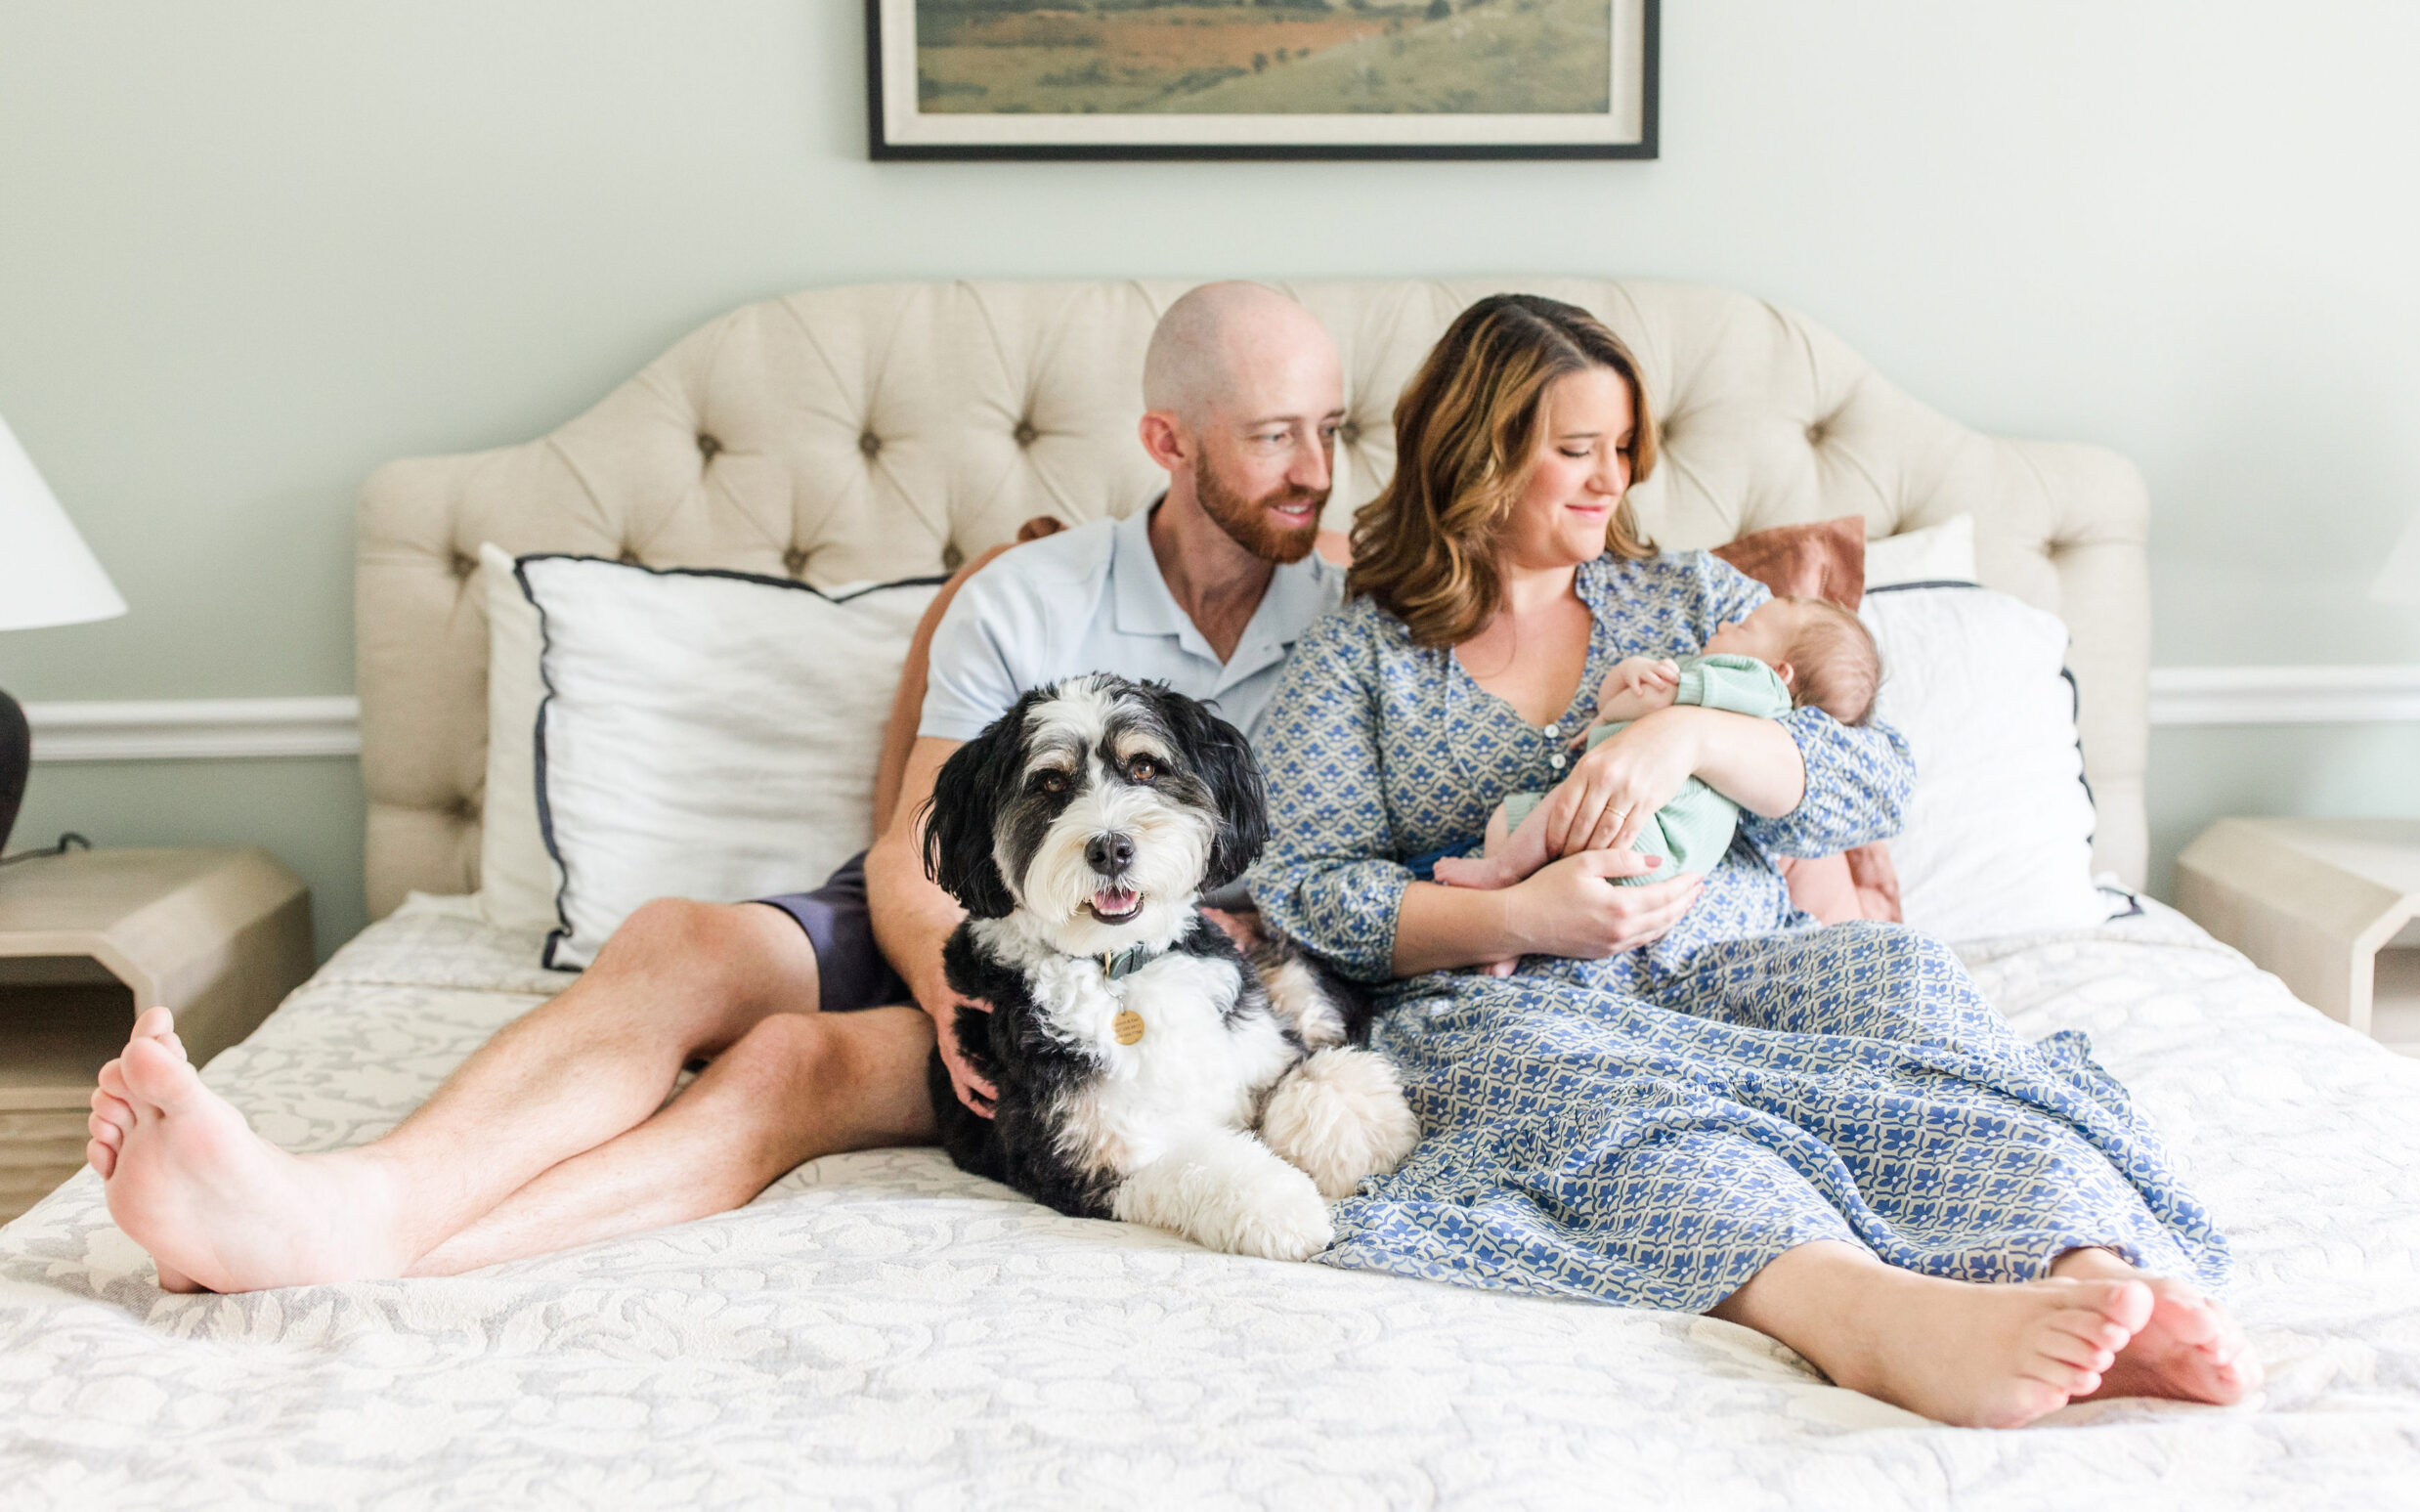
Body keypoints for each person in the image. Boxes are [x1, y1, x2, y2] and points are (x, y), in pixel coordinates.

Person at [80, 281, 1348, 1292]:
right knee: (678, 941)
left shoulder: (1362, 603)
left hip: (1148, 977)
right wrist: (948, 990)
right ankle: (348, 1197)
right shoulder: (1029, 595)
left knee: (790, 1063)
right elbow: (914, 843)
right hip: (966, 917)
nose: (1317, 466)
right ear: (1168, 441)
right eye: (1275, 433)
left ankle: (386, 1249)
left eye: (1331, 428)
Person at [1244, 292, 2258, 1429]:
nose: (1609, 480)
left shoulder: (1693, 601)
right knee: (1613, 1105)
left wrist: (1697, 735)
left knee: (1906, 994)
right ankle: (1871, 1318)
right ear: (1477, 457)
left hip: (1747, 968)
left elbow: (1873, 780)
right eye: (1576, 451)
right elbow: (1307, 885)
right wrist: (1522, 918)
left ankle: (2087, 1272)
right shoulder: (1363, 659)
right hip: (1514, 999)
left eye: (1624, 449)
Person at [1432, 596, 1880, 891]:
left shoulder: (1758, 686)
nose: (1725, 622)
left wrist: (1639, 699)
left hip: (1648, 832)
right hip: (1667, 863)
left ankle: (1502, 873)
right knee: (1532, 838)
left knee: (1553, 807)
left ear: (1780, 672)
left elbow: (1647, 701)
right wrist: (1627, 677)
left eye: (1742, 628)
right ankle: (1511, 932)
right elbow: (1621, 702)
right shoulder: (1732, 693)